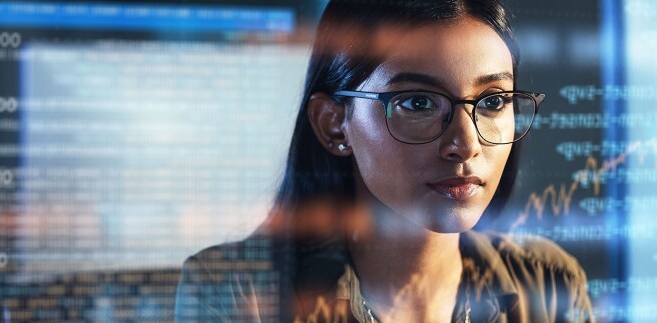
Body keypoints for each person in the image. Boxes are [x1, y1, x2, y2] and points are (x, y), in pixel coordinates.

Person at [175, 0, 594, 322]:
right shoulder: (235, 288)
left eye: (493, 101)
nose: (465, 144)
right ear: (334, 124)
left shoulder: (549, 283)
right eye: (418, 102)